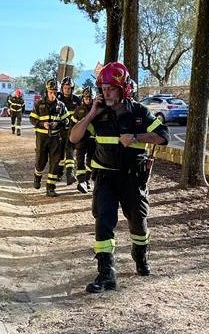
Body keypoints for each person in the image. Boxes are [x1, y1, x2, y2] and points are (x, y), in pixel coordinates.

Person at [69, 62, 169, 293]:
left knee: (138, 223)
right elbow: (74, 137)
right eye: (103, 88)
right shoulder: (98, 114)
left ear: (124, 88)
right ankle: (106, 274)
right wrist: (92, 113)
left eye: (111, 88)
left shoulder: (139, 112)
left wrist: (136, 137)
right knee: (103, 222)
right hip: (105, 177)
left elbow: (163, 136)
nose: (106, 93)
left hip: (133, 179)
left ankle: (140, 255)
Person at [29, 79, 69, 197]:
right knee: (41, 161)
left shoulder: (61, 105)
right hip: (42, 137)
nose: (53, 94)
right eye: (51, 92)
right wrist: (43, 124)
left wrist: (59, 124)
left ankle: (50, 188)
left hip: (55, 138)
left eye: (55, 92)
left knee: (55, 162)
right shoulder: (39, 104)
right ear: (47, 91)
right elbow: (32, 119)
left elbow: (67, 120)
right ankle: (37, 176)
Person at [57, 76, 81, 185]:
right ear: (62, 88)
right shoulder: (57, 99)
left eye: (69, 88)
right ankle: (58, 173)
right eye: (65, 87)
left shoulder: (77, 100)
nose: (67, 90)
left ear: (72, 88)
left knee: (70, 153)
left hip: (72, 131)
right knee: (60, 153)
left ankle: (70, 175)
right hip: (60, 131)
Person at [70, 86, 95, 193]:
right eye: (85, 98)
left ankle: (87, 179)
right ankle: (81, 181)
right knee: (80, 161)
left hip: (94, 140)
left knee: (91, 162)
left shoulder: (97, 109)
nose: (87, 100)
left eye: (89, 98)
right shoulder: (79, 110)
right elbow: (72, 124)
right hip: (81, 139)